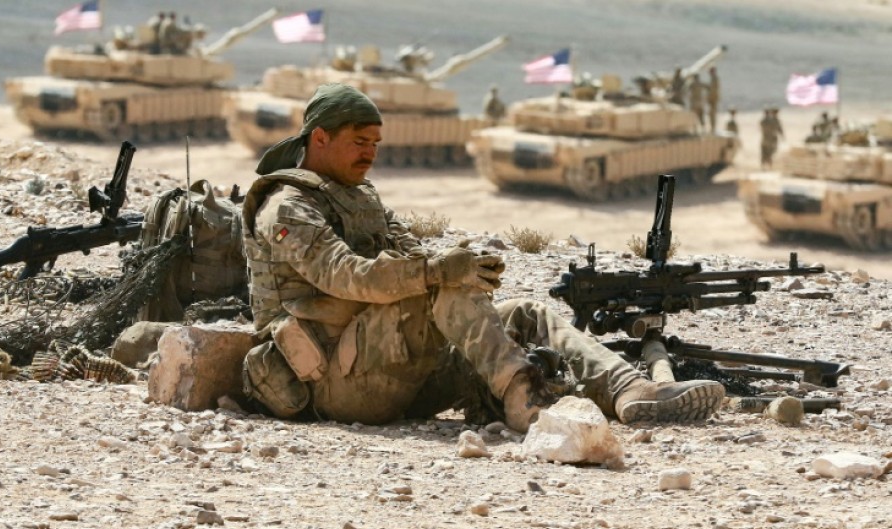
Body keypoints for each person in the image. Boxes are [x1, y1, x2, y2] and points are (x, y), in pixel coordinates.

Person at [240, 83, 725, 433]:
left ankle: (631, 392)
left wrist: (462, 265)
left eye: (375, 144)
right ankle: (525, 402)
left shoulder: (360, 195)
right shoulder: (288, 204)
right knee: (444, 284)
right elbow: (344, 275)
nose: (370, 154)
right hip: (331, 381)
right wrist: (440, 273)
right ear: (319, 139)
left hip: (394, 374)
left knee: (527, 313)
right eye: (359, 143)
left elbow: (412, 252)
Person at [706, 66, 720, 132]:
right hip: (713, 98)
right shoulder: (713, 79)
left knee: (712, 113)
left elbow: (713, 90)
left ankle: (713, 128)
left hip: (713, 99)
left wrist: (709, 98)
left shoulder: (714, 79)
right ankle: (712, 127)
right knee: (711, 114)